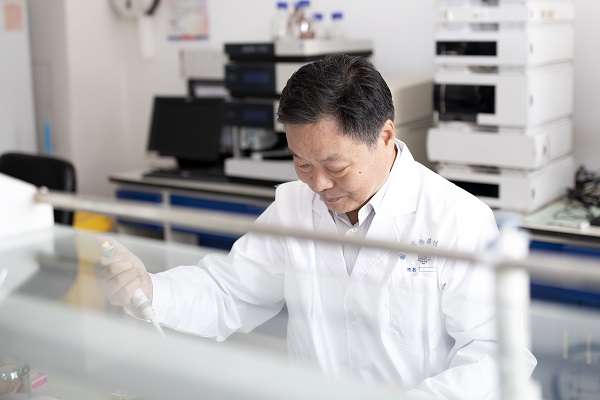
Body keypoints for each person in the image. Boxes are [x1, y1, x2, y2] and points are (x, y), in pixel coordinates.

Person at [95, 54, 536, 398]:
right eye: (301, 163)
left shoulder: (456, 219)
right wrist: (150, 290)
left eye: (335, 166)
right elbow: (230, 292)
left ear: (384, 137)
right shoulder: (294, 206)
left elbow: (496, 357)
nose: (318, 184)